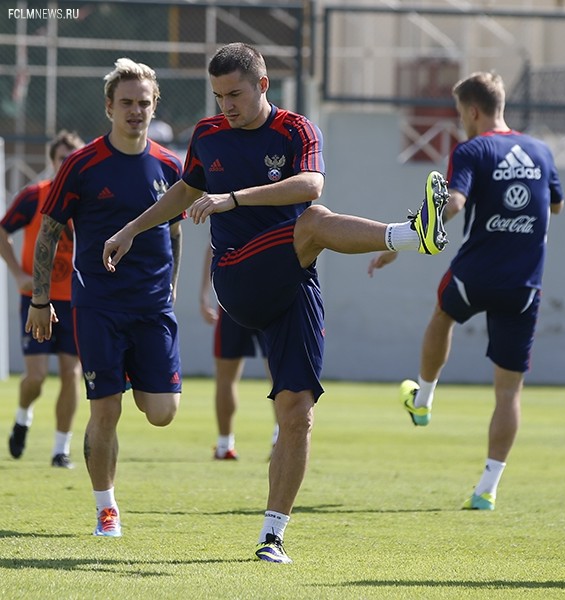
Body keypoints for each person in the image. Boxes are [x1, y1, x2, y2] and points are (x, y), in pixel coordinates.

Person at [101, 42, 449, 564]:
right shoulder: (208, 135)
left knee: (297, 413)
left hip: (293, 280)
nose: (227, 106)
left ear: (263, 85)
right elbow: (182, 192)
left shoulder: (297, 130)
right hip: (238, 274)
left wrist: (234, 197)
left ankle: (272, 535)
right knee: (313, 221)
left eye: (235, 94)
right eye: (219, 96)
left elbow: (311, 182)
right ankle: (410, 233)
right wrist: (131, 229)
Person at [369, 71, 564, 512]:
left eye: (460, 115)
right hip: (524, 283)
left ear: (473, 111)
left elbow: (453, 203)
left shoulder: (472, 149)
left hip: (475, 274)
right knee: (509, 393)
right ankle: (487, 487)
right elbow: (556, 204)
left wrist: (402, 242)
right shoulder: (541, 150)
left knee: (443, 315)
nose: (461, 123)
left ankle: (423, 399)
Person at [26, 58, 184, 538]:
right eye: (127, 103)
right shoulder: (80, 165)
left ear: (155, 106)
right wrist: (39, 299)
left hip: (154, 307)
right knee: (105, 410)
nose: (136, 111)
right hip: (98, 306)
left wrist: (172, 282)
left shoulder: (171, 165)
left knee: (162, 413)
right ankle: (106, 509)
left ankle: (135, 370)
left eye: (144, 103)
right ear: (109, 107)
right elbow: (48, 233)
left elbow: (176, 233)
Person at [1, 130, 84, 468]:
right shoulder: (35, 196)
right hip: (38, 298)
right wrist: (19, 274)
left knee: (72, 373)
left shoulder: (88, 199)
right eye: (61, 158)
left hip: (76, 300)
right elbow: (2, 231)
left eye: (72, 158)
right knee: (35, 377)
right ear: (52, 162)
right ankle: (23, 418)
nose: (66, 164)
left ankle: (60, 450)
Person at [200, 245, 279, 460]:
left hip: (236, 295)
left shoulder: (225, 210)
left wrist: (204, 294)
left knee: (228, 377)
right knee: (279, 375)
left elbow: (213, 245)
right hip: (267, 296)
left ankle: (225, 445)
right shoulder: (280, 210)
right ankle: (279, 439)